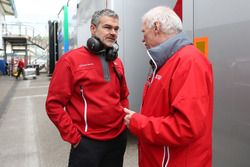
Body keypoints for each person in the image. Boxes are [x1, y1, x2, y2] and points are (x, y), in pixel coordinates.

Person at [124, 6, 214, 167]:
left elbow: (185, 127)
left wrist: (138, 123)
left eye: (143, 32)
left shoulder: (189, 62)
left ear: (156, 27)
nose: (142, 39)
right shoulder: (167, 61)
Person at [46, 9, 129, 167]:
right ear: (93, 29)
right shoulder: (70, 61)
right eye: (107, 27)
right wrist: (74, 137)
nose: (113, 32)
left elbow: (123, 96)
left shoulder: (117, 62)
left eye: (116, 29)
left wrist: (123, 123)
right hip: (87, 144)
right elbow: (53, 105)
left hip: (117, 141)